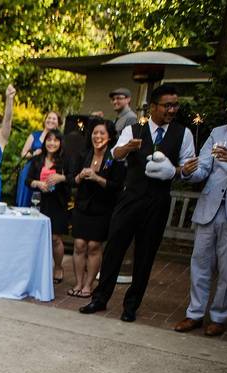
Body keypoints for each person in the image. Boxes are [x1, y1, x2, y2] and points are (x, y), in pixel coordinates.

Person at [80, 84, 196, 322]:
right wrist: (127, 147)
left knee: (145, 254)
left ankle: (131, 305)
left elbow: (188, 170)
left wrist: (173, 171)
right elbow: (115, 155)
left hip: (158, 201)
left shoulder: (183, 133)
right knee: (114, 249)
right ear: (153, 106)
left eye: (175, 105)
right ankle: (100, 298)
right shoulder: (134, 129)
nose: (172, 110)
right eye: (167, 105)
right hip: (130, 197)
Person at [174, 84, 227, 337]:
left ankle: (219, 316)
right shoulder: (217, 133)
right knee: (200, 264)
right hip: (209, 208)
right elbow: (204, 167)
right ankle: (194, 314)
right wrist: (188, 171)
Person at [69, 119, 125, 298]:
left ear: (109, 137)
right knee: (79, 244)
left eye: (102, 133)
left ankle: (88, 285)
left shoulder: (114, 158)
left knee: (93, 246)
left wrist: (97, 178)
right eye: (95, 133)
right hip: (82, 206)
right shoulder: (83, 155)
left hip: (103, 207)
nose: (98, 136)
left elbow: (117, 186)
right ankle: (78, 283)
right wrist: (79, 177)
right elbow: (71, 179)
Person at [24, 129, 70, 283]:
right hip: (39, 202)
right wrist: (37, 183)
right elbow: (27, 180)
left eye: (55, 140)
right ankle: (39, 268)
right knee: (38, 237)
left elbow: (73, 178)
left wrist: (61, 178)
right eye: (49, 140)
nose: (52, 143)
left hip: (58, 203)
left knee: (55, 238)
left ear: (60, 143)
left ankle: (58, 267)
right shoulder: (38, 159)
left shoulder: (65, 160)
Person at [16, 111, 61, 206]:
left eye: (54, 119)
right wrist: (34, 154)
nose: (51, 120)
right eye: (49, 118)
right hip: (30, 171)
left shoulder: (60, 139)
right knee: (27, 200)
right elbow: (23, 153)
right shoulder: (34, 135)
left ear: (58, 123)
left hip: (48, 171)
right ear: (45, 120)